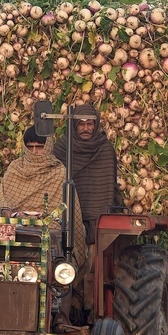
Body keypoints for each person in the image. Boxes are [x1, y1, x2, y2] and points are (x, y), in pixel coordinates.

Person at [0, 125, 87, 271]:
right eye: (30, 147)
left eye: (39, 147)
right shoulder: (15, 168)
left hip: (49, 226)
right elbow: (5, 200)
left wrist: (43, 218)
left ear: (47, 147)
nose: (34, 152)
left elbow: (71, 210)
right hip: (16, 226)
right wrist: (8, 212)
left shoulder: (59, 172)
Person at [52, 103, 123, 249]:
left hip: (98, 216)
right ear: (74, 126)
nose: (85, 129)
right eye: (81, 124)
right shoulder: (62, 147)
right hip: (66, 214)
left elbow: (108, 185)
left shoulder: (105, 148)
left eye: (89, 124)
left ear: (95, 124)